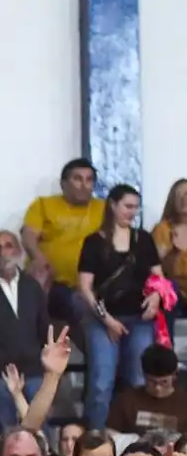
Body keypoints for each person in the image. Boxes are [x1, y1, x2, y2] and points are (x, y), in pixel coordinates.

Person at [77, 183, 166, 428]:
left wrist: (157, 297)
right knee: (101, 382)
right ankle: (96, 437)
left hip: (139, 319)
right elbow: (85, 287)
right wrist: (107, 319)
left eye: (136, 207)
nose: (132, 212)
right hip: (103, 319)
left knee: (138, 379)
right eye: (127, 206)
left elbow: (159, 277)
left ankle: (137, 437)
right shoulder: (95, 242)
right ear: (113, 205)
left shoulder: (143, 239)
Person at [0, 230, 51, 430]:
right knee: (6, 434)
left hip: (33, 370)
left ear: (18, 251)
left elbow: (43, 327)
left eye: (8, 246)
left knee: (41, 430)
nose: (3, 252)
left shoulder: (32, 286)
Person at [22, 158, 105, 324]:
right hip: (54, 283)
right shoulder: (44, 205)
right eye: (78, 179)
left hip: (92, 284)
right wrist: (38, 256)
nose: (84, 185)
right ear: (63, 183)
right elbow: (29, 235)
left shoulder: (104, 208)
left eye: (89, 180)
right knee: (79, 304)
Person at [108, 344, 187, 435]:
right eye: (151, 381)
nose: (158, 388)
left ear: (175, 375)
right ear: (143, 375)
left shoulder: (184, 402)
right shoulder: (126, 401)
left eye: (164, 382)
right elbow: (111, 433)